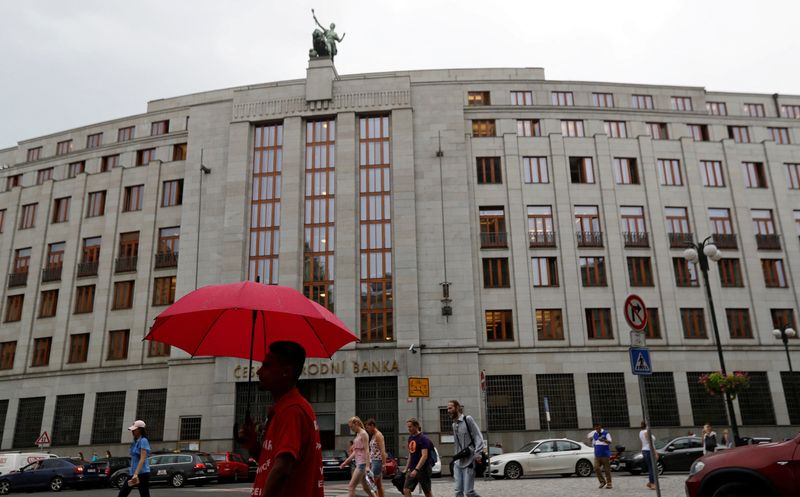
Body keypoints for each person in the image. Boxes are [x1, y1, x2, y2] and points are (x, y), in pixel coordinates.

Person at [237, 341, 324, 497]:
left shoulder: (291, 411)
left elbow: (282, 469)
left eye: (267, 366)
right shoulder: (286, 408)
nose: (259, 372)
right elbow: (271, 462)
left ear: (286, 372)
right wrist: (253, 445)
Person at [448, 400, 484, 497]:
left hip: (469, 460)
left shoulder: (468, 419)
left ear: (457, 408)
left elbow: (478, 436)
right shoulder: (453, 424)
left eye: (450, 408)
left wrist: (478, 453)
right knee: (458, 491)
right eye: (448, 408)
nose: (448, 410)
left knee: (469, 492)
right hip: (458, 462)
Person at [339, 416, 375, 497]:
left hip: (362, 463)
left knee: (351, 486)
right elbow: (355, 451)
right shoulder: (359, 434)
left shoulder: (363, 433)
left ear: (356, 423)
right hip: (360, 463)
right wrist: (345, 462)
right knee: (366, 488)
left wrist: (368, 466)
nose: (351, 429)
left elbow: (367, 450)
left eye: (351, 426)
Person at [117, 420, 151, 497]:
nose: (132, 431)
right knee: (122, 494)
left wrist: (136, 474)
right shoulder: (135, 442)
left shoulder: (143, 441)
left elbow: (142, 459)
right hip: (133, 473)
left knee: (144, 494)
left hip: (141, 473)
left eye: (134, 429)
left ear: (140, 429)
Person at [403, 417, 434, 497]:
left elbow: (424, 456)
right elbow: (411, 454)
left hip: (423, 469)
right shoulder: (410, 438)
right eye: (408, 427)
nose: (408, 429)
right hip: (412, 468)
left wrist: (416, 469)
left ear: (416, 426)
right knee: (406, 490)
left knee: (427, 492)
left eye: (410, 427)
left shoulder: (423, 439)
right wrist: (406, 468)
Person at [366, 419, 387, 497]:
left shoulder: (378, 435)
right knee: (378, 486)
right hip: (374, 461)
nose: (367, 430)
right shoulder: (374, 435)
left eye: (368, 428)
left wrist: (384, 464)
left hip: (377, 462)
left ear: (372, 425)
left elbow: (382, 450)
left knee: (370, 485)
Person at [587, 423, 613, 489]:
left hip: (605, 454)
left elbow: (610, 442)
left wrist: (604, 440)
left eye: (598, 428)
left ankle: (609, 483)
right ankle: (602, 481)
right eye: (595, 428)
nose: (597, 429)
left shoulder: (606, 433)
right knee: (596, 468)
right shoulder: (595, 434)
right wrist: (590, 441)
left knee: (607, 469)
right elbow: (593, 444)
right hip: (597, 455)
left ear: (600, 427)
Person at [639, 421, 657, 491]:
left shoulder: (641, 432)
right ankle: (652, 483)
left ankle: (650, 482)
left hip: (645, 450)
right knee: (652, 467)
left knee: (651, 467)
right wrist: (655, 452)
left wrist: (642, 450)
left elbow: (642, 442)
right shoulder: (646, 432)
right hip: (649, 451)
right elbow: (650, 443)